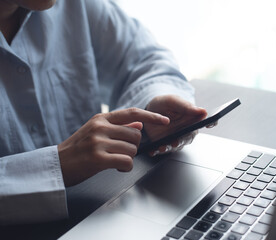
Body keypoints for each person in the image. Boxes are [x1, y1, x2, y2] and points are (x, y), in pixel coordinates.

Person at [0, 0, 207, 225]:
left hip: (96, 214)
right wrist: (55, 166)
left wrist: (152, 103)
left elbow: (146, 59)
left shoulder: (75, 5)